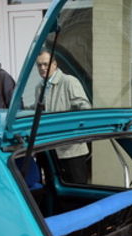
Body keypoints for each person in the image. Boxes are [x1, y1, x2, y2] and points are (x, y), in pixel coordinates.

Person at [34, 50, 92, 183]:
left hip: (72, 151)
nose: (42, 68)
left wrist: (71, 133)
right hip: (49, 150)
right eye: (39, 65)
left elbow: (85, 110)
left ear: (54, 64)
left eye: (45, 64)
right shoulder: (39, 87)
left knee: (77, 192)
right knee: (54, 191)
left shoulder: (69, 82)